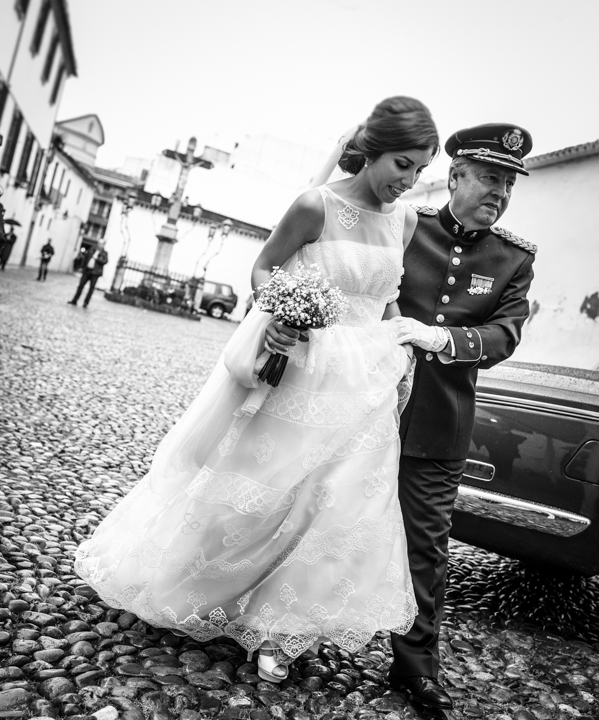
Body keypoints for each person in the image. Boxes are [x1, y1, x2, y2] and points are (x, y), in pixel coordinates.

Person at [74, 95, 439, 683]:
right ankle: (198, 583)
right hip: (304, 365)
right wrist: (286, 306)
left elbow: (386, 295)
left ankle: (281, 627)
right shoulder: (315, 206)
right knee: (267, 492)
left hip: (366, 379)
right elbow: (264, 267)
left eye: (421, 170)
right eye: (404, 164)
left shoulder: (407, 220)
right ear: (374, 149)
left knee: (338, 505)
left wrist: (397, 356)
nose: (411, 180)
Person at [268, 123, 536, 707]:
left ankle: (416, 666)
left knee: (426, 546)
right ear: (455, 177)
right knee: (317, 519)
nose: (499, 193)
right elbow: (337, 269)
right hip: (360, 408)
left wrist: (442, 339)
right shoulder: (403, 226)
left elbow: (503, 333)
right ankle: (285, 632)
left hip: (439, 422)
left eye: (508, 184)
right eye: (489, 179)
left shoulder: (513, 259)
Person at [69, 240, 109, 306]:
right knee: (81, 285)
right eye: (98, 243)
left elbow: (105, 261)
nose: (99, 245)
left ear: (103, 245)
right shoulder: (92, 249)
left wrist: (97, 258)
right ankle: (75, 300)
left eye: (101, 244)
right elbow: (86, 258)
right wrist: (82, 267)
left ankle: (86, 303)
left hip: (95, 273)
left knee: (91, 288)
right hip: (87, 271)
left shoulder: (104, 253)